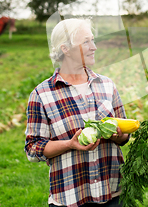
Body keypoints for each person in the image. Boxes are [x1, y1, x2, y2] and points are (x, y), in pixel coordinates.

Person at [25, 18, 129, 207]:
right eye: (86, 42)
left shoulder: (107, 85)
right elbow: (33, 148)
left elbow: (124, 135)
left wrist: (119, 136)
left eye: (93, 40)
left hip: (112, 192)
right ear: (65, 49)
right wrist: (70, 144)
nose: (94, 47)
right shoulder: (42, 94)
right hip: (70, 196)